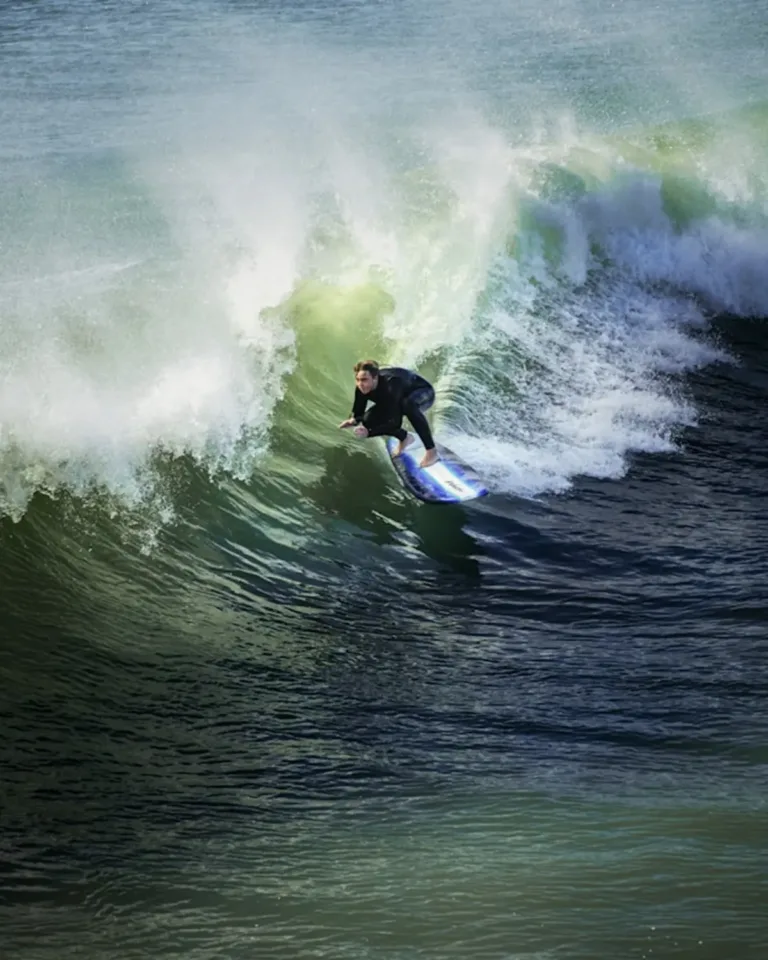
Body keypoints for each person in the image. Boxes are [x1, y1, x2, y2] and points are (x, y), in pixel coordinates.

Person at [338, 360, 439, 468]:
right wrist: (353, 420)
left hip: (424, 393)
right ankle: (405, 437)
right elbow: (358, 411)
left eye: (364, 380)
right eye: (357, 380)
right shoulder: (361, 387)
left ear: (375, 378)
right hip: (396, 398)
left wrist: (370, 433)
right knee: (367, 421)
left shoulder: (391, 384)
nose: (360, 384)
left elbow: (395, 422)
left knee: (407, 405)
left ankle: (431, 451)